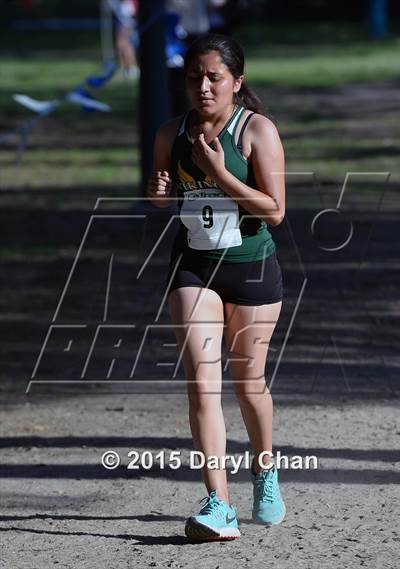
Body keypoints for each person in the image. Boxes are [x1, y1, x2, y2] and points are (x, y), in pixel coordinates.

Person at [147, 33, 286, 541]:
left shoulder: (257, 131)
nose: (203, 87)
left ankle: (265, 470)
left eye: (214, 77)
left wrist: (220, 174)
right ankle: (217, 503)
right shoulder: (170, 132)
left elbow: (275, 210)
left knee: (249, 386)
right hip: (193, 267)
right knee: (203, 385)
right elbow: (165, 199)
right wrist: (159, 193)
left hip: (251, 266)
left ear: (236, 82)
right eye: (193, 77)